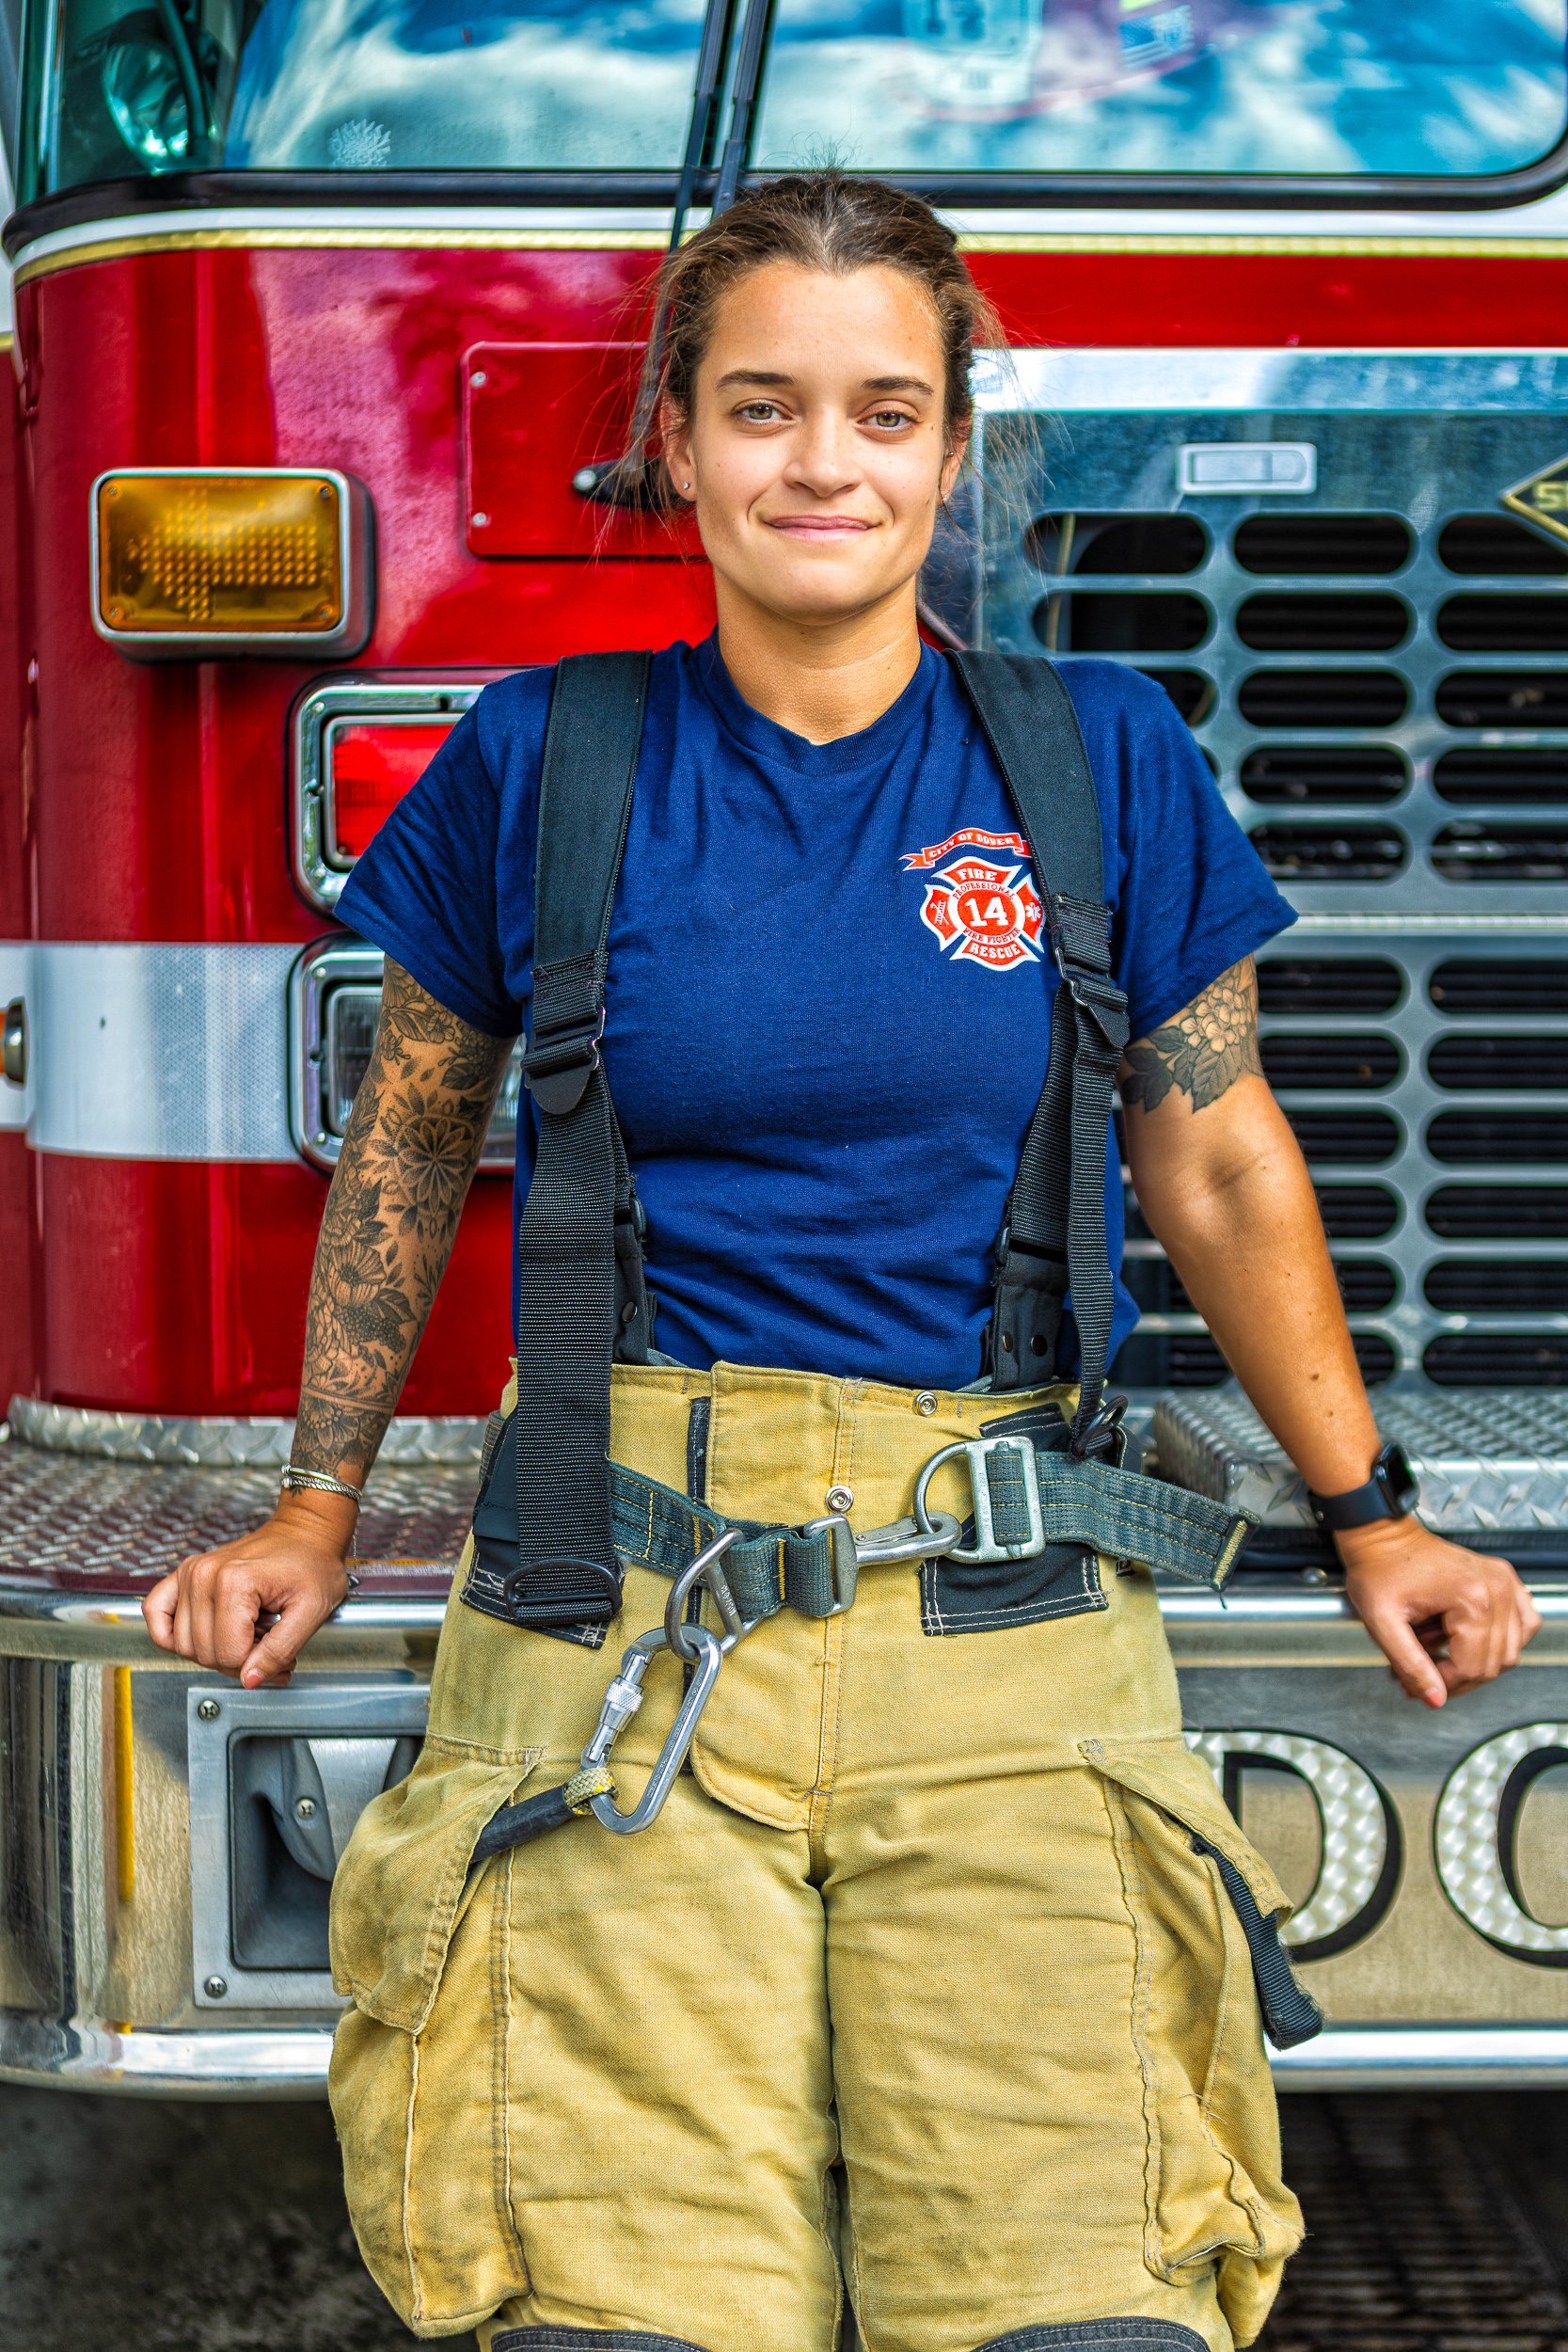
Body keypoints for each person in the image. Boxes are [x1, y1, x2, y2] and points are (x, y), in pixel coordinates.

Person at [145, 171, 1540, 2352]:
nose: (826, 462)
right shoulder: (546, 760)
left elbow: (1222, 1159)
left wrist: (1372, 1516)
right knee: (619, 2317)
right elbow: (412, 1135)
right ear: (678, 440)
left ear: (953, 447)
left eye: (885, 411)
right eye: (765, 407)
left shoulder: (1099, 759)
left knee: (1084, 2308)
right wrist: (315, 1509)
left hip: (1010, 1626)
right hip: (616, 1624)